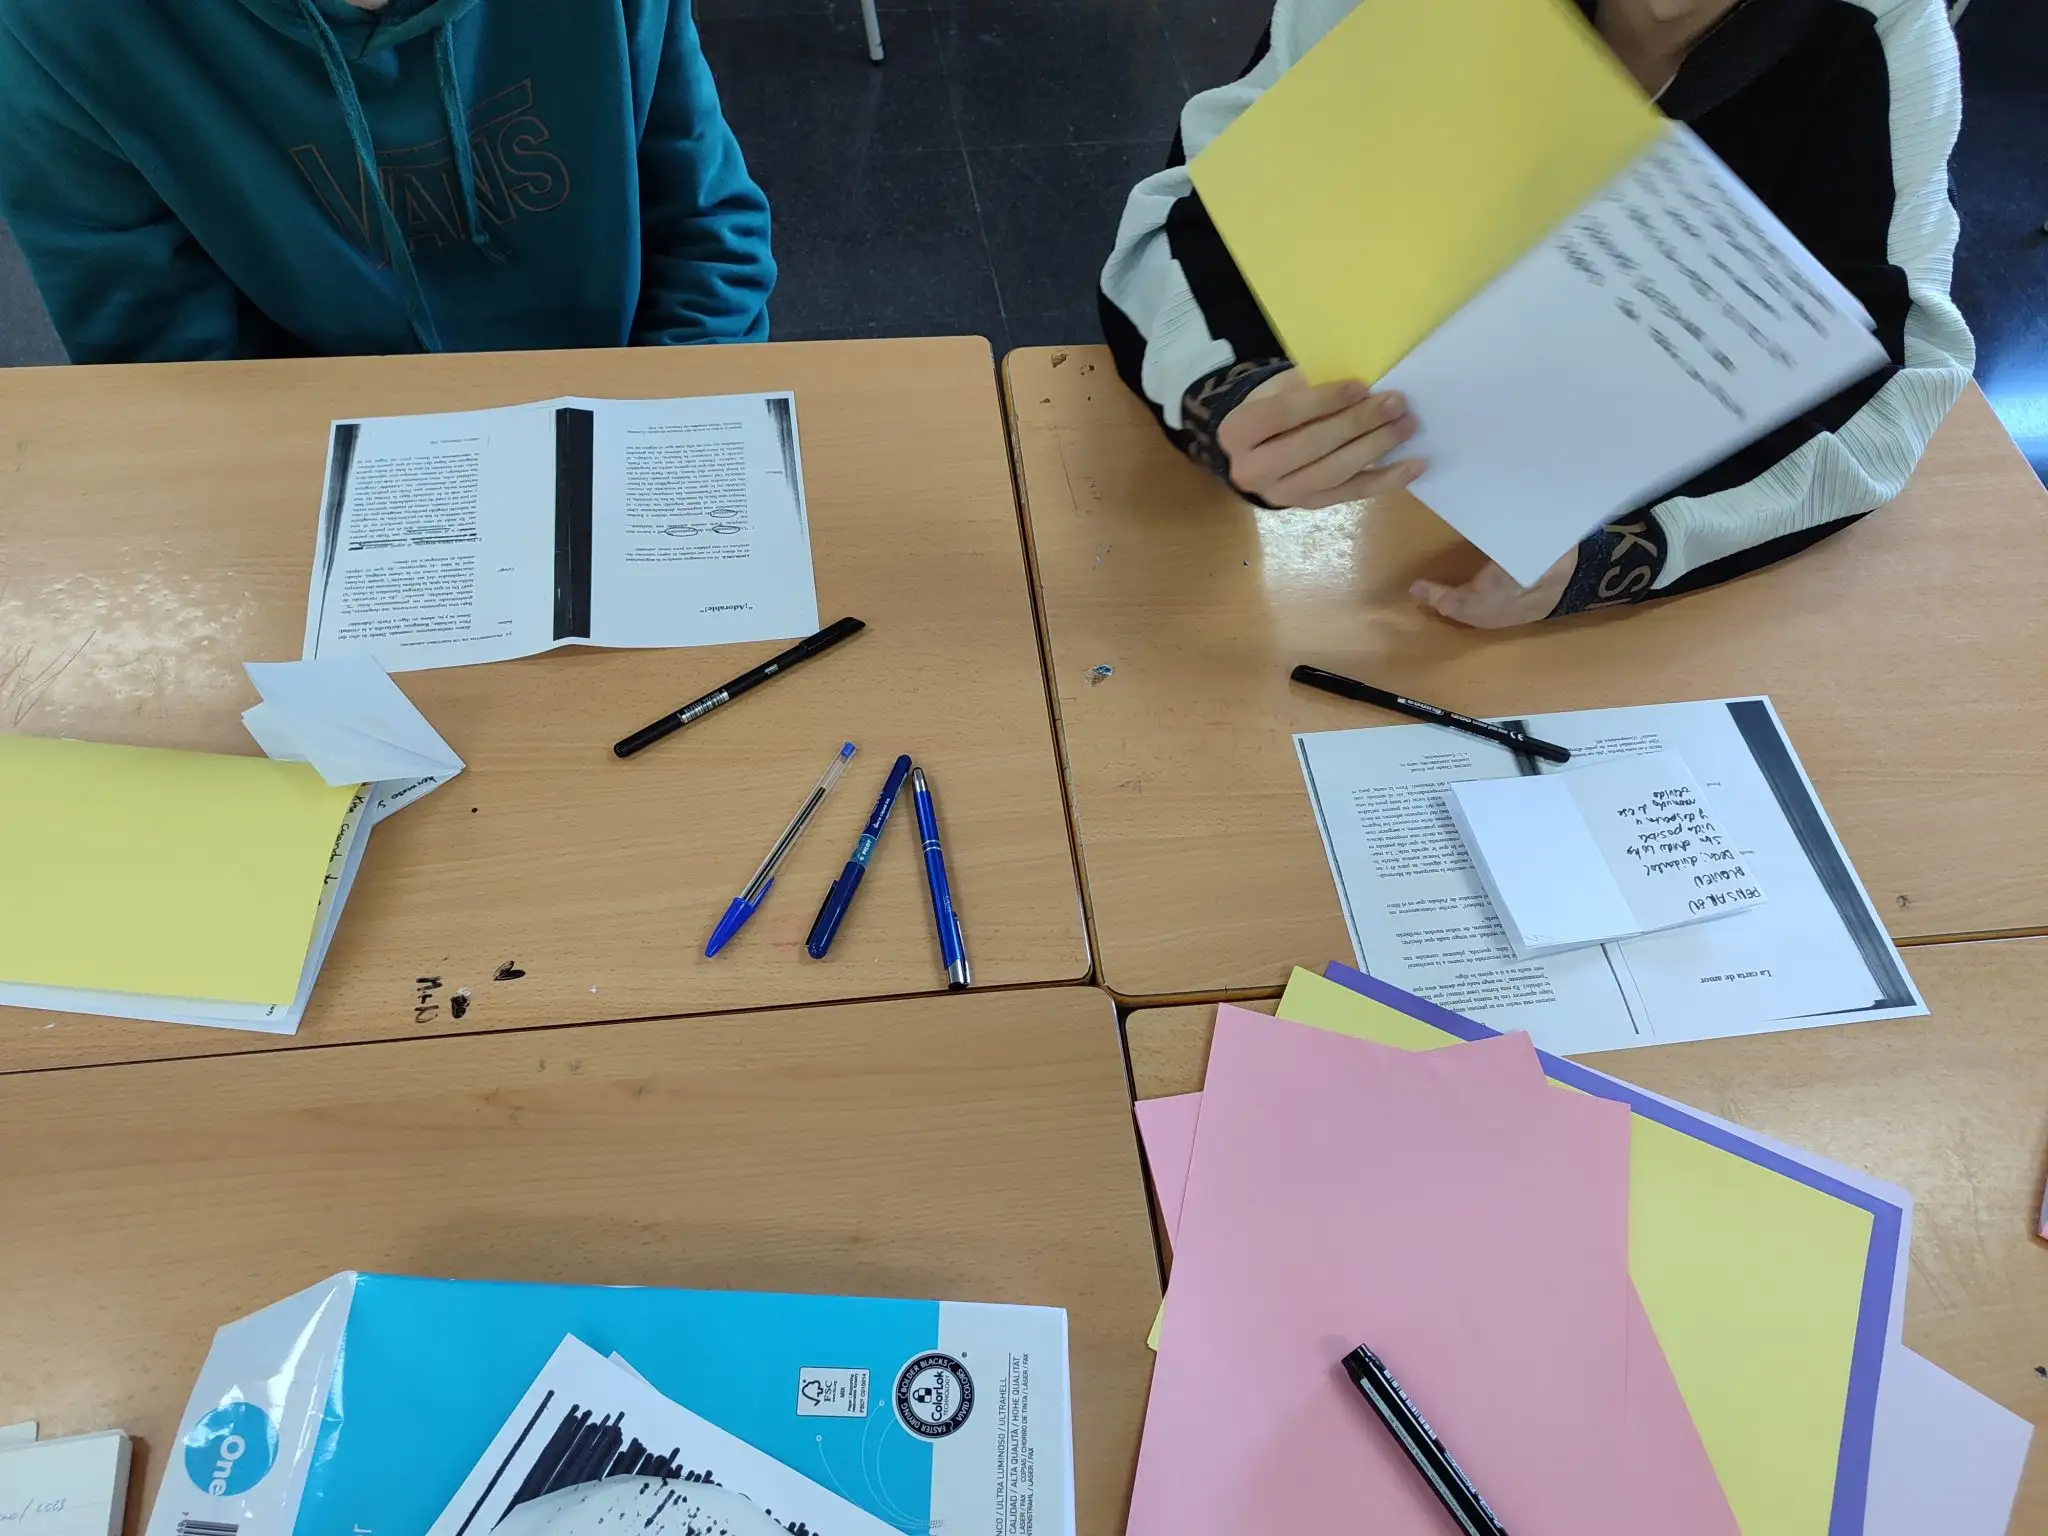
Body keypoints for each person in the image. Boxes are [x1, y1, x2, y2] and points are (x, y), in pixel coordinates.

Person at [1098, 0, 1972, 627]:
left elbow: (1902, 373)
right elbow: (1198, 207)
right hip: (1357, 469)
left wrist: (1626, 550)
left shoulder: (1883, 29)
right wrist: (1230, 393)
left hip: (1604, 521)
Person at [0, 0, 773, 362]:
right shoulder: (60, 29)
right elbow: (164, 365)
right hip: (314, 478)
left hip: (619, 421)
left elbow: (707, 234)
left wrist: (662, 440)